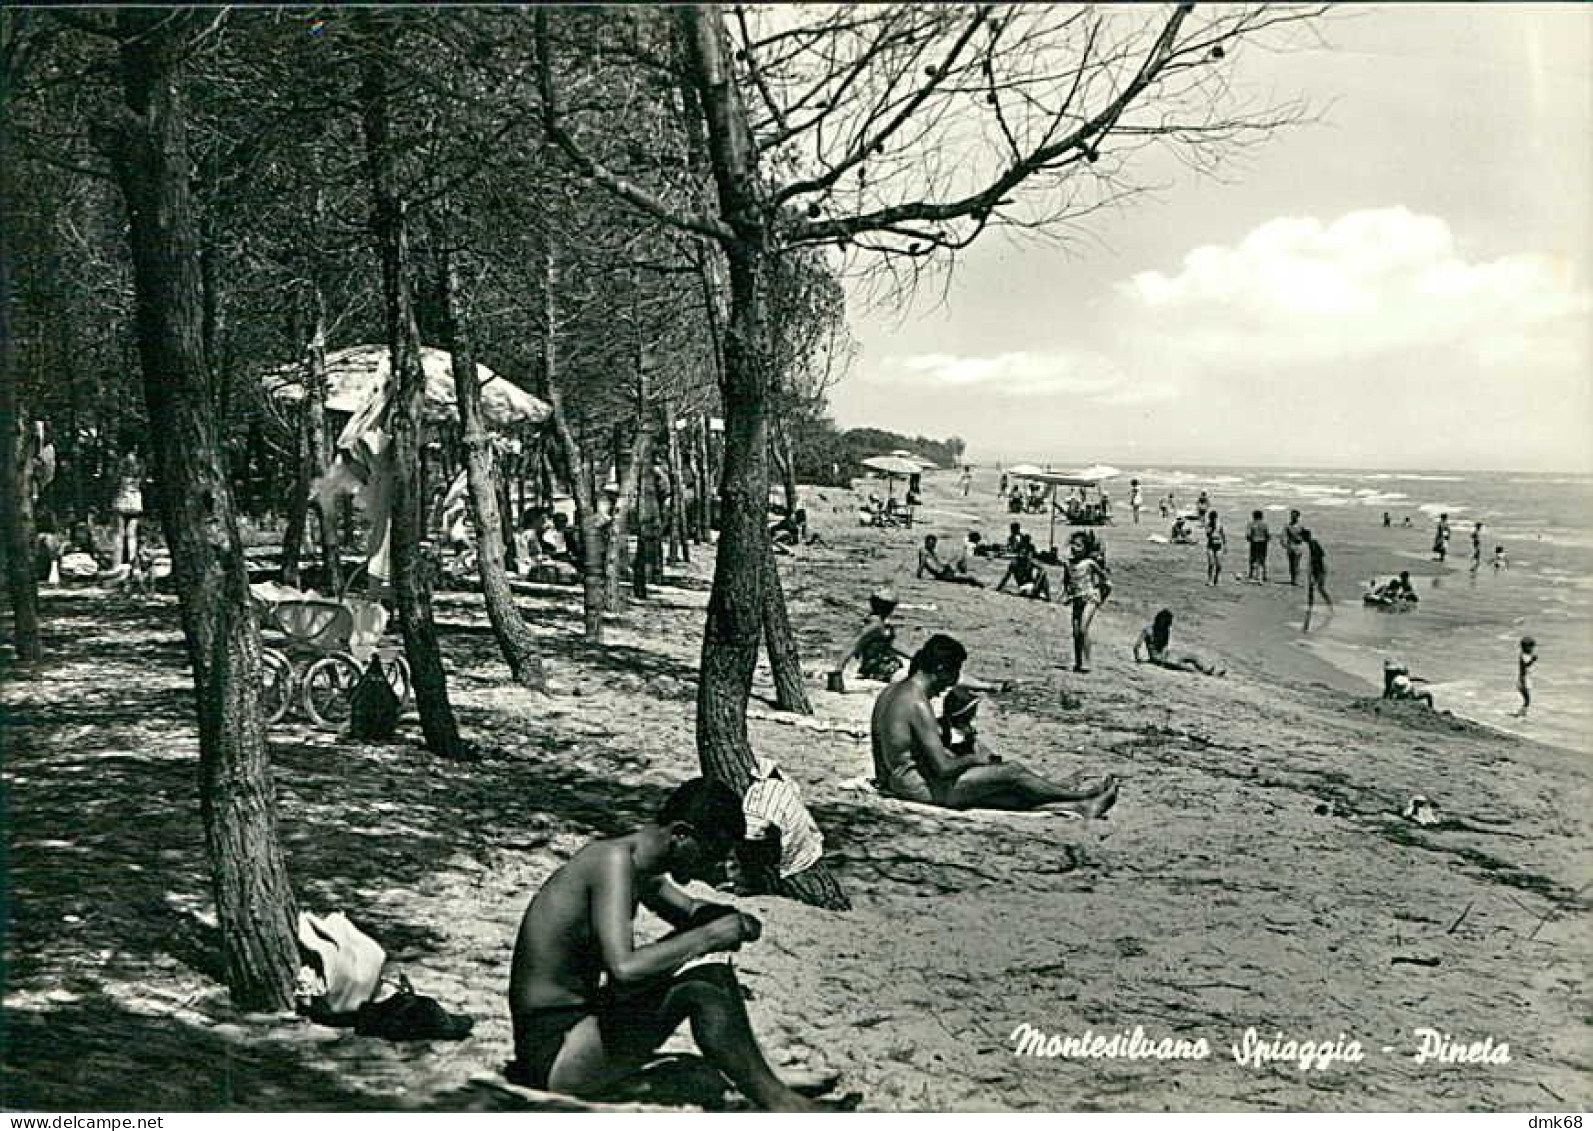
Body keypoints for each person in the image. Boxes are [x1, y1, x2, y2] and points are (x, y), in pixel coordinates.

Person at [506, 779, 828, 1111]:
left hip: (578, 1026)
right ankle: (781, 1101)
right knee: (702, 985)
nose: (712, 868)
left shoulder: (633, 860)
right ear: (680, 834)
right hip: (551, 1051)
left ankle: (767, 1081)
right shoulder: (611, 863)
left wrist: (734, 919)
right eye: (709, 855)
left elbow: (690, 912)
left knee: (711, 971)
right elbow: (625, 969)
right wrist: (712, 935)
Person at [870, 634, 1118, 815]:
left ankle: (1078, 807)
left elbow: (877, 744)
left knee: (1004, 792)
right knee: (1012, 772)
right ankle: (1080, 795)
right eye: (951, 675)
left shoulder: (890, 692)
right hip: (920, 787)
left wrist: (886, 783)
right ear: (939, 669)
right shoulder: (917, 703)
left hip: (901, 782)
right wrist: (976, 760)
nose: (950, 683)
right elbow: (944, 769)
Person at [832, 587, 911, 685]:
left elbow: (892, 646)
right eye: (890, 606)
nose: (891, 609)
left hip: (883, 666)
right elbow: (854, 645)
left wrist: (914, 657)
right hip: (879, 669)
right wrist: (838, 670)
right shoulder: (875, 625)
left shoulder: (879, 624)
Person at [1062, 532, 1107, 673]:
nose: (1075, 548)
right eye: (1073, 545)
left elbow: (1105, 579)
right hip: (1077, 599)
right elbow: (1067, 582)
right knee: (1076, 633)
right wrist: (1067, 594)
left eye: (1079, 546)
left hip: (1090, 598)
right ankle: (1078, 662)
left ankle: (1087, 662)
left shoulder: (1089, 563)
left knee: (1083, 629)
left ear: (1085, 548)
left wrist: (1101, 596)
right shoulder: (1068, 564)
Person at [1134, 610, 1223, 676]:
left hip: (1165, 654)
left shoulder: (1166, 630)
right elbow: (1137, 646)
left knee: (1192, 656)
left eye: (1166, 621)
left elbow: (1165, 645)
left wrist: (1166, 654)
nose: (1164, 623)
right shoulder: (1148, 630)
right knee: (1183, 667)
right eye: (1163, 620)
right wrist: (1138, 659)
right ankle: (1204, 674)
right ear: (1158, 618)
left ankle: (1206, 670)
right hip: (1156, 657)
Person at [111, 448, 145, 570]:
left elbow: (115, 479)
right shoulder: (140, 462)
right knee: (132, 534)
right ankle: (133, 564)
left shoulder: (121, 461)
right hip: (135, 499)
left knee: (118, 533)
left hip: (122, 497)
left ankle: (116, 564)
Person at [1304, 528, 1333, 608]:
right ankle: (1311, 605)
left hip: (1319, 568)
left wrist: (1313, 568)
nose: (1302, 539)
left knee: (1319, 588)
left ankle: (1329, 605)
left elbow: (1319, 556)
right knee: (1313, 588)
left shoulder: (1312, 543)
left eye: (1303, 537)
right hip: (1316, 568)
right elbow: (1321, 554)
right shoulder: (1311, 543)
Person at [1244, 509, 1270, 582]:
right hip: (1263, 543)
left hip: (1254, 542)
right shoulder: (1265, 524)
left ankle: (1251, 575)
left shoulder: (1251, 524)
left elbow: (1248, 535)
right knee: (1262, 560)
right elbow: (1267, 535)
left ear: (1254, 516)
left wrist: (1250, 540)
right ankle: (1264, 576)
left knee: (1252, 559)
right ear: (1261, 516)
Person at [1513, 636, 1537, 716]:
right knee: (1527, 700)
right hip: (1523, 679)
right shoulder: (1523, 656)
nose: (1532, 649)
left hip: (1525, 679)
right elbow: (1525, 665)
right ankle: (1521, 714)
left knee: (1527, 699)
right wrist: (1532, 660)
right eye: (1531, 647)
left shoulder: (1525, 654)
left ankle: (1522, 713)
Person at [1281, 510, 1306, 586]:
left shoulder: (1301, 526)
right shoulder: (1287, 526)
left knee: (1296, 564)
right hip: (1290, 546)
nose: (1292, 517)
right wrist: (1284, 544)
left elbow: (1305, 536)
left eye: (1294, 516)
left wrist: (1301, 538)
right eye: (1292, 515)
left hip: (1298, 546)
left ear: (1298, 516)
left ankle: (1296, 580)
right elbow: (1283, 536)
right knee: (1291, 564)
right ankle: (1293, 579)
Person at [1203, 510, 1225, 586]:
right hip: (1211, 546)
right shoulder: (1208, 525)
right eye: (1211, 518)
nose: (1213, 519)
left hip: (1219, 546)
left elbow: (1223, 535)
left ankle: (1216, 578)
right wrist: (1211, 528)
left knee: (1219, 565)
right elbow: (1208, 535)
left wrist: (1225, 545)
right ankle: (1209, 579)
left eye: (1214, 518)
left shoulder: (1220, 525)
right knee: (1211, 564)